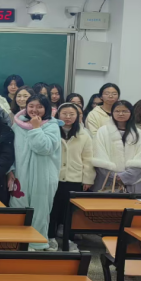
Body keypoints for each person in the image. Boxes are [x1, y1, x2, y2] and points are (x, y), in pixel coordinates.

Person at [10, 94, 61, 251]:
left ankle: (36, 243)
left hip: (43, 176)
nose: (35, 110)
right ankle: (18, 242)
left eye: (40, 106)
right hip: (21, 174)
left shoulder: (52, 125)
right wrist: (10, 171)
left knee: (40, 211)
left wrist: (36, 128)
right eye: (31, 106)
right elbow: (10, 150)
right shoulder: (17, 125)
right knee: (18, 207)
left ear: (46, 108)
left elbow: (44, 148)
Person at [50, 103, 94, 251]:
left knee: (71, 213)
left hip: (75, 179)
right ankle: (50, 237)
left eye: (72, 114)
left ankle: (69, 240)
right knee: (52, 210)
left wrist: (88, 179)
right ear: (58, 115)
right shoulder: (51, 131)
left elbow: (88, 159)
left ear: (78, 116)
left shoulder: (84, 135)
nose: (68, 117)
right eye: (64, 114)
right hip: (54, 177)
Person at [92, 100, 141, 194]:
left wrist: (125, 176)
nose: (121, 114)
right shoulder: (102, 131)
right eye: (117, 111)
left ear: (131, 113)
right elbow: (99, 155)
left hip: (135, 181)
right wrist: (114, 176)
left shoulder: (138, 133)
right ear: (112, 113)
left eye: (125, 111)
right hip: (107, 181)